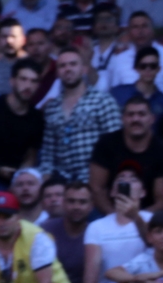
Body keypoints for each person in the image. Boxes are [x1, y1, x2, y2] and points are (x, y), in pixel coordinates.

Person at [40, 47, 124, 183]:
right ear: (57, 73)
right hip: (61, 183)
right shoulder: (52, 108)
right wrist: (46, 181)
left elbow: (116, 146)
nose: (68, 69)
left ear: (84, 69)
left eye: (73, 64)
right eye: (62, 66)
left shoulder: (103, 101)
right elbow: (48, 155)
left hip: (94, 181)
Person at [88, 98, 163, 213]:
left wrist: (137, 219)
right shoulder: (106, 144)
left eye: (141, 114)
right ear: (122, 119)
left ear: (152, 119)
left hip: (149, 217)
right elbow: (97, 188)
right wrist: (114, 219)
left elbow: (162, 199)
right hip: (109, 212)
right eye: (130, 114)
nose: (136, 119)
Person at [83, 169, 153, 283]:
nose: (126, 181)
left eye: (133, 180)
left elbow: (154, 243)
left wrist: (135, 217)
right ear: (113, 192)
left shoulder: (152, 219)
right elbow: (92, 266)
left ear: (143, 192)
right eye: (121, 179)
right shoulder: (96, 226)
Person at [39, 181, 94, 283]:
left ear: (91, 206)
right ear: (63, 203)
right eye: (71, 201)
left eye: (82, 202)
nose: (76, 207)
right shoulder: (45, 230)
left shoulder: (97, 232)